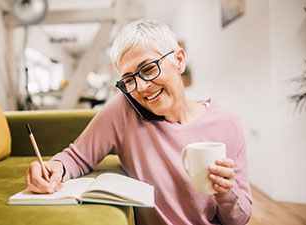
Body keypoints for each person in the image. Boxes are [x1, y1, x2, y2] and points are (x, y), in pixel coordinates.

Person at [26, 19, 252, 225]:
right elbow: (76, 157)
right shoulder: (124, 111)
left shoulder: (227, 123)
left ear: (179, 61)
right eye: (129, 79)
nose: (141, 87)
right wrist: (53, 168)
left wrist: (226, 194)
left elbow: (239, 220)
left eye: (149, 69)